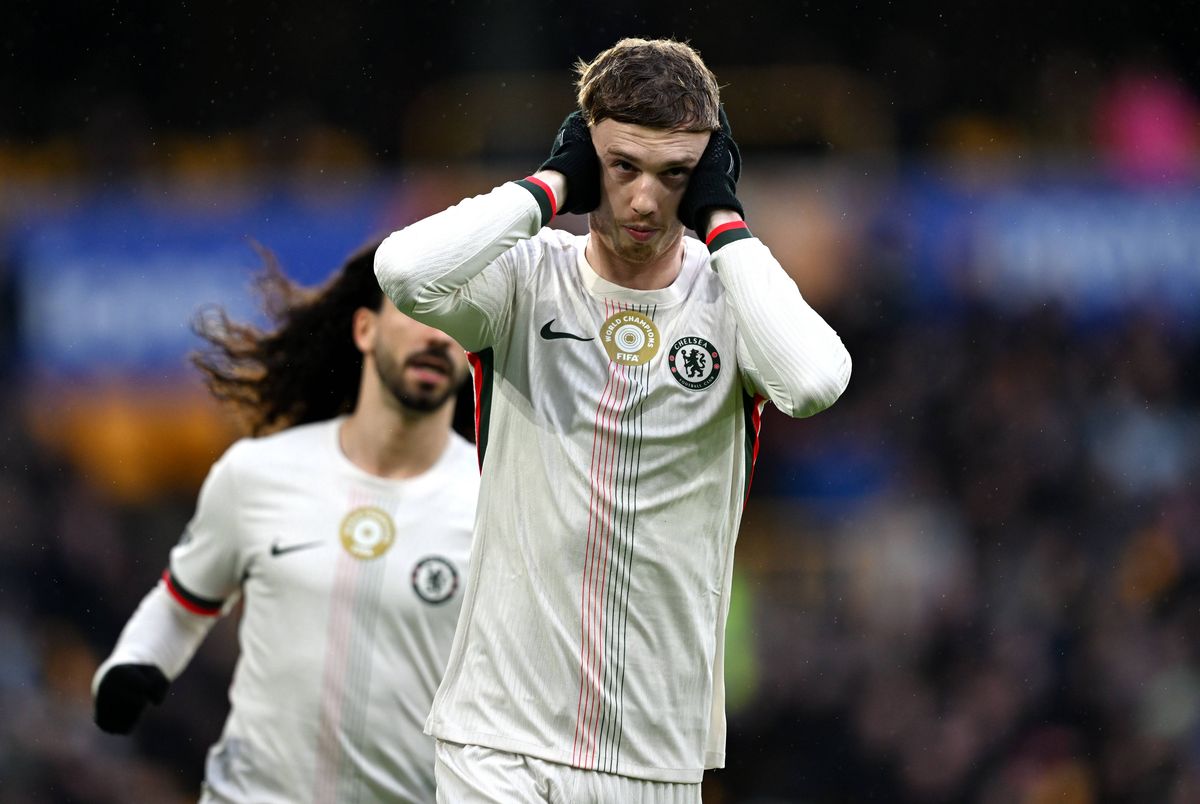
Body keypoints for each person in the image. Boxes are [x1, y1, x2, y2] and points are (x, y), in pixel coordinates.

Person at [374, 37, 852, 802]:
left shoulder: (733, 301)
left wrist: (725, 221)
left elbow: (816, 380)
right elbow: (403, 270)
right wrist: (546, 188)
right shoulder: (526, 280)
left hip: (651, 751)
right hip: (495, 735)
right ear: (586, 154)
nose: (641, 200)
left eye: (675, 176)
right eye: (621, 165)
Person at [91, 240, 478, 803]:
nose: (436, 335)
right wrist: (133, 663)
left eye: (455, 320)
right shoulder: (257, 474)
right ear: (365, 330)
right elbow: (183, 603)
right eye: (419, 310)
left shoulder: (495, 501)